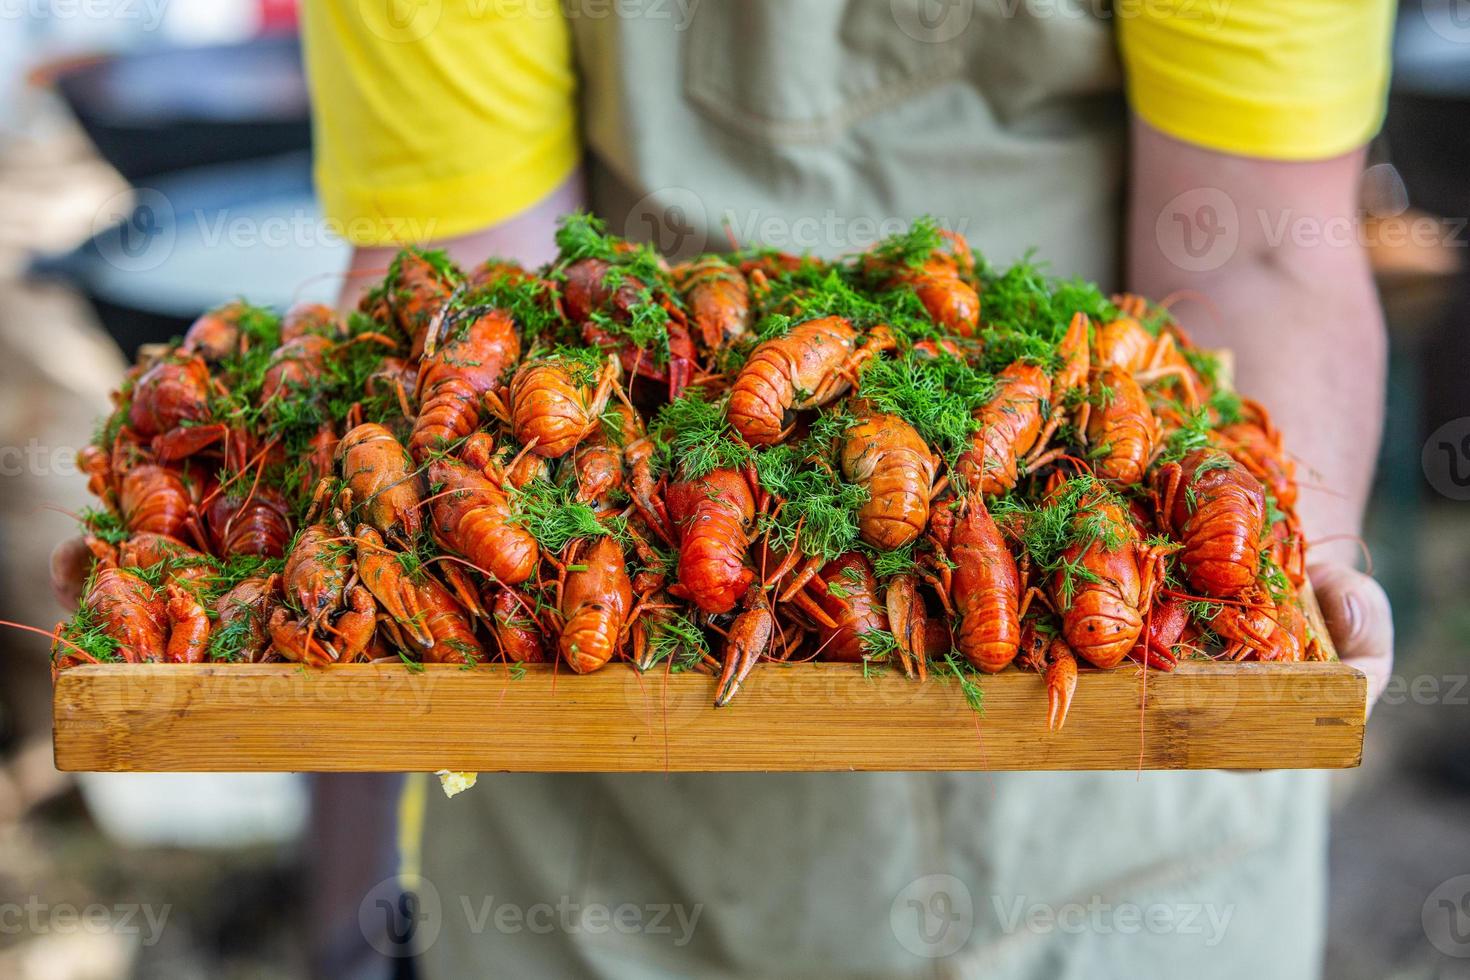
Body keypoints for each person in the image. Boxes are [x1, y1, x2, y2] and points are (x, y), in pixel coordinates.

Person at [301, 1, 1396, 976]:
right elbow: (473, 263)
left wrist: (1302, 552)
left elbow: (1254, 248)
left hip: (1133, 846)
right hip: (600, 834)